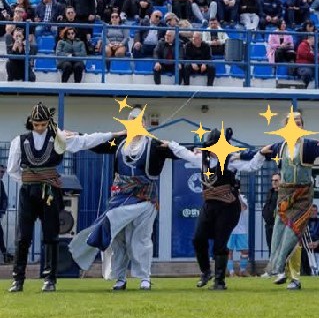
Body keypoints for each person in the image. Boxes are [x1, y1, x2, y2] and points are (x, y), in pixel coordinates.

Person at [7, 103, 117, 292]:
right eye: (36, 124)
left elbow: (86, 141)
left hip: (50, 191)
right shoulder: (20, 141)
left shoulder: (59, 138)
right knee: (23, 237)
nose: (40, 128)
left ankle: (50, 279)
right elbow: (12, 170)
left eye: (42, 124)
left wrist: (113, 135)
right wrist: (31, 181)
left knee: (51, 235)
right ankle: (18, 279)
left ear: (48, 122)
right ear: (31, 123)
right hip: (28, 191)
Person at [68, 106, 179, 290]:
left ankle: (144, 277)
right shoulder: (119, 142)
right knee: (118, 238)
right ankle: (120, 277)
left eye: (138, 120)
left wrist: (199, 150)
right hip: (120, 198)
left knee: (141, 239)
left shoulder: (153, 145)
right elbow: (97, 145)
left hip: (144, 200)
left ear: (144, 124)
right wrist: (77, 136)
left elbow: (176, 152)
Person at [259, 111, 319, 290]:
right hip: (284, 194)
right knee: (279, 231)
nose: (297, 124)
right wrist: (241, 154)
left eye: (299, 121)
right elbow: (260, 153)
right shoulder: (279, 146)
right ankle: (280, 269)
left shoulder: (309, 145)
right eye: (292, 121)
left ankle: (281, 268)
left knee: (293, 232)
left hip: (303, 194)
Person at [168, 128, 271, 290]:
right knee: (198, 238)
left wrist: (261, 154)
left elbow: (251, 167)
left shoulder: (231, 161)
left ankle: (220, 281)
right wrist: (170, 144)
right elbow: (183, 153)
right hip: (209, 205)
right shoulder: (202, 159)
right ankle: (206, 272)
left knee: (220, 243)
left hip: (229, 207)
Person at [262, 173, 281, 253]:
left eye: (276, 180)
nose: (274, 182)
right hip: (269, 225)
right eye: (272, 180)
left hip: (278, 226)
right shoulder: (270, 192)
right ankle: (272, 264)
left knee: (278, 249)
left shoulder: (283, 193)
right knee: (270, 248)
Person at [0, 164, 13, 263]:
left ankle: (4, 253)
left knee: (0, 233)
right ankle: (4, 254)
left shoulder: (1, 184)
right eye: (1, 172)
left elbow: (4, 198)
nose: (2, 174)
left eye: (3, 172)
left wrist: (3, 209)